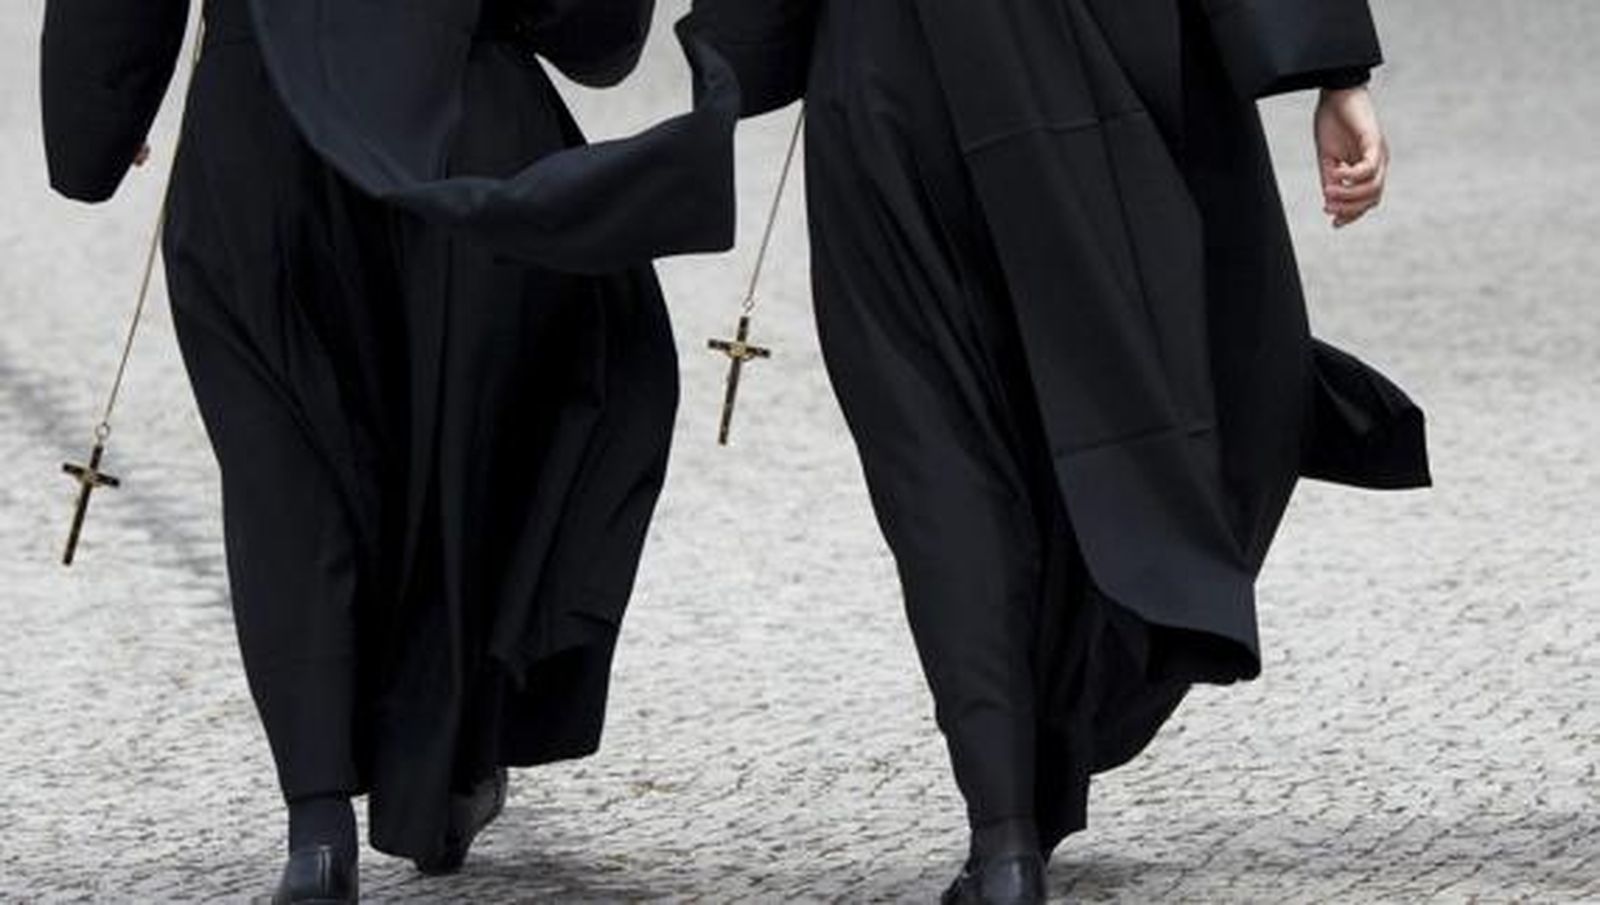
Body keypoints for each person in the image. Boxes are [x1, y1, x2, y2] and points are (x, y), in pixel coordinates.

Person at [687, 0, 1430, 902]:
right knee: (1128, 374)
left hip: (878, 70)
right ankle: (1051, 747)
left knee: (940, 447)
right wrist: (1332, 68)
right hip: (1075, 61)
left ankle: (1003, 837)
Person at [41, 0, 737, 901]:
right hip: (460, 101)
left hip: (263, 115)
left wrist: (94, 124)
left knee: (286, 470)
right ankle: (447, 768)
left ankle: (319, 823)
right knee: (467, 438)